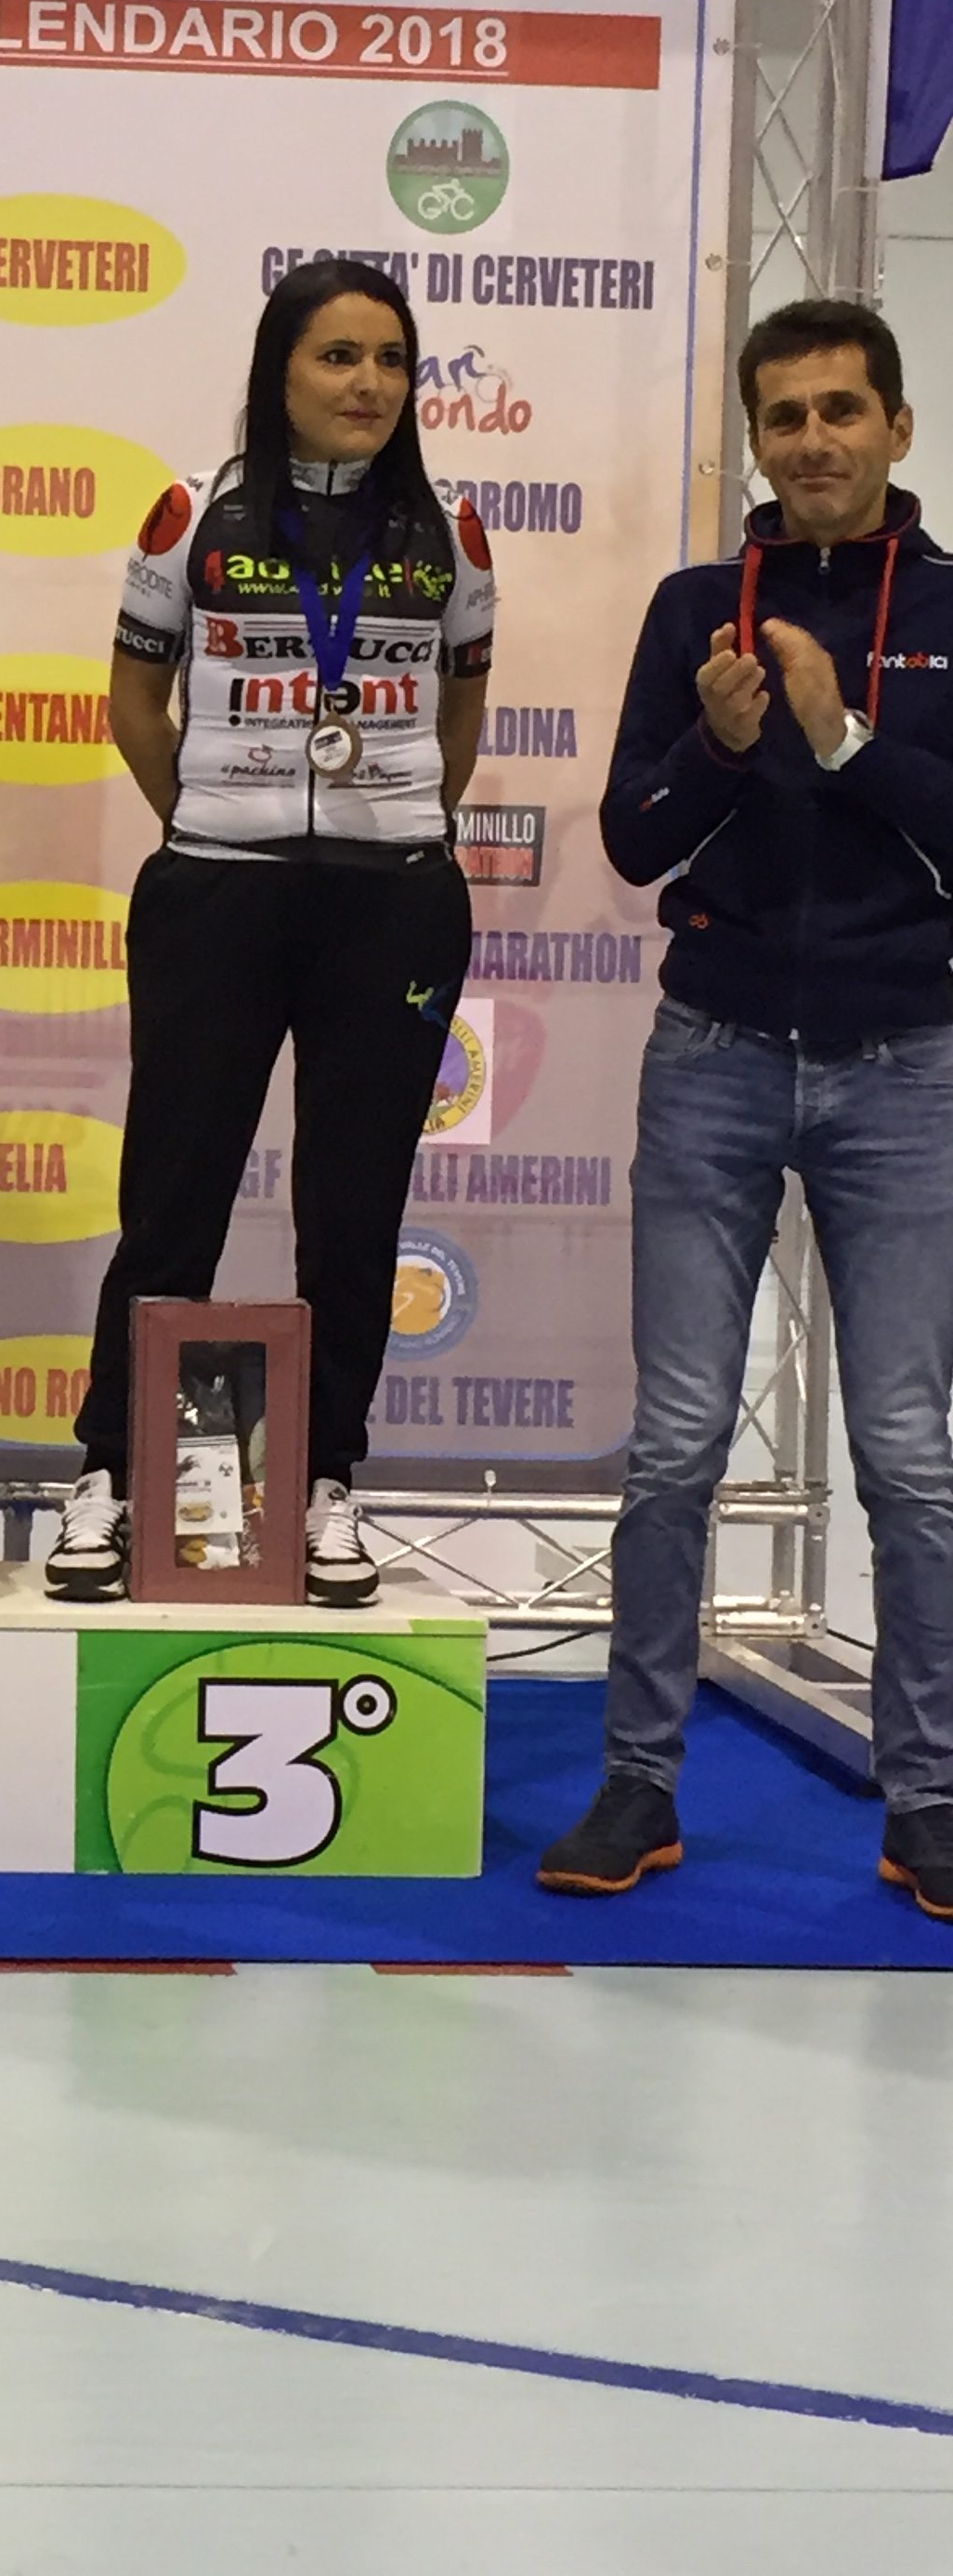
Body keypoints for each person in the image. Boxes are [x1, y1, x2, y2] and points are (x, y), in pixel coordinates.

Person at [541, 297, 953, 1920]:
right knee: (674, 1443)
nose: (813, 441)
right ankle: (638, 1779)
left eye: (842, 410)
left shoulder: (950, 609)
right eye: (784, 417)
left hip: (905, 1061)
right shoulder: (692, 607)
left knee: (907, 1454)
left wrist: (841, 738)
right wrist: (719, 749)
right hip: (712, 1050)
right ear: (755, 440)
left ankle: (928, 1795)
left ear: (898, 427)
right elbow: (635, 837)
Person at [48, 257, 494, 1609]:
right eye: (338, 356)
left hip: (392, 899)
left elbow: (461, 715)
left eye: (391, 359)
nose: (369, 384)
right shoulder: (193, 515)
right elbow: (134, 703)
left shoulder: (453, 533)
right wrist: (209, 821)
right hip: (218, 891)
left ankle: (325, 1482)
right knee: (171, 1199)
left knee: (353, 1214)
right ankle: (113, 1473)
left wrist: (396, 827)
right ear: (278, 370)